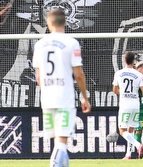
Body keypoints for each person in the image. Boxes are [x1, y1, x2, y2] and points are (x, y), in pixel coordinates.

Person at [32, 9, 92, 167]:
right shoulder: (71, 43)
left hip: (47, 97)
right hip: (64, 97)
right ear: (65, 22)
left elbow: (38, 77)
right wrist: (85, 98)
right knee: (61, 143)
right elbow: (79, 75)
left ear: (49, 22)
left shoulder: (39, 44)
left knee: (57, 143)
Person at [111, 51, 143, 160]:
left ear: (124, 60)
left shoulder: (118, 73)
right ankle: (128, 155)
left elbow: (114, 90)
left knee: (122, 131)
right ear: (133, 62)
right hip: (136, 104)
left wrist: (123, 93)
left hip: (125, 104)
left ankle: (138, 145)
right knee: (131, 130)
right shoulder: (138, 75)